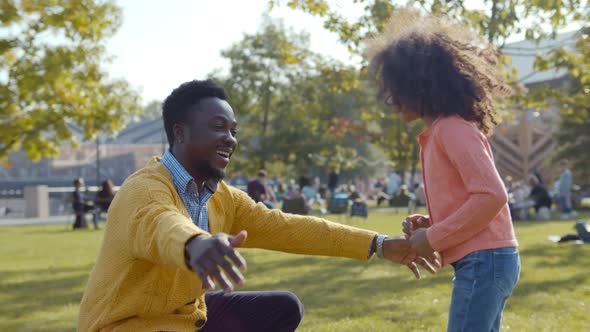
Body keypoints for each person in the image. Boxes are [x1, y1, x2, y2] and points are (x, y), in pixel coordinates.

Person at [78, 79, 439, 332]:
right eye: (218, 127)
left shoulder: (224, 198)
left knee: (283, 308)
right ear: (180, 132)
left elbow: (291, 228)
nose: (230, 139)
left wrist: (376, 243)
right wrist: (196, 243)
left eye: (233, 130)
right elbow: (160, 224)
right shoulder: (143, 188)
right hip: (126, 326)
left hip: (185, 320)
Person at [365, 10, 520, 332]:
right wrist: (433, 222)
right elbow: (472, 199)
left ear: (422, 85)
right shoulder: (441, 132)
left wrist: (434, 237)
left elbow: (492, 195)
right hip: (484, 261)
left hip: (485, 261)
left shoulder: (452, 129)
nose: (391, 97)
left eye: (396, 85)